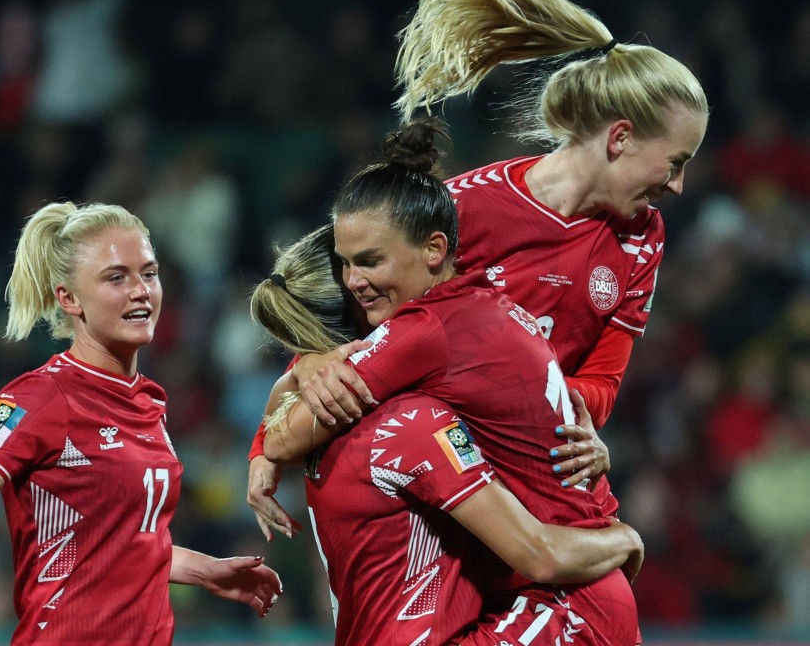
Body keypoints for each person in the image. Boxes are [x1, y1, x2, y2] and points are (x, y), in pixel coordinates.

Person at [248, 0, 708, 536]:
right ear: (620, 137)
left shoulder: (643, 237)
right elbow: (349, 308)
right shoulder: (466, 207)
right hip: (436, 472)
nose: (678, 185)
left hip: (532, 470)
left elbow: (603, 384)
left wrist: (547, 405)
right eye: (676, 162)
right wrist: (307, 367)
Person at [0, 202, 281, 644]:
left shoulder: (149, 401)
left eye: (149, 273)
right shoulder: (39, 398)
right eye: (116, 277)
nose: (141, 290)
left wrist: (205, 570)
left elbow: (124, 542)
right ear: (69, 298)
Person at [250, 224, 644, 645]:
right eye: (361, 274)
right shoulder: (415, 423)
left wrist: (292, 389)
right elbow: (538, 553)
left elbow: (278, 438)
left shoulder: (323, 425)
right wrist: (625, 539)